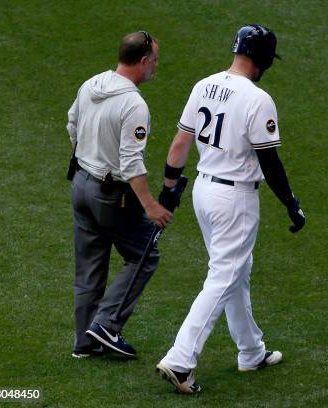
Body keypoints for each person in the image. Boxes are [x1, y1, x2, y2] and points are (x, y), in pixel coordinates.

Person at [155, 24, 305, 393]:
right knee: (224, 275)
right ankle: (180, 358)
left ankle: (251, 351)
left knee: (237, 269)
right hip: (235, 198)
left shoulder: (204, 85)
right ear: (264, 59)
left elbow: (179, 143)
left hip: (204, 192)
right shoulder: (257, 98)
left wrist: (168, 189)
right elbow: (270, 162)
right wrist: (291, 204)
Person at [66, 31, 172, 359]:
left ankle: (84, 345)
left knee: (89, 268)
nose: (155, 66)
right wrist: (150, 205)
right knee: (144, 254)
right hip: (111, 196)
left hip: (80, 184)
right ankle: (107, 324)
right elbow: (130, 163)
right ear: (142, 61)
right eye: (154, 61)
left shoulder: (91, 83)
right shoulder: (134, 105)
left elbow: (72, 125)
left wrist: (91, 158)